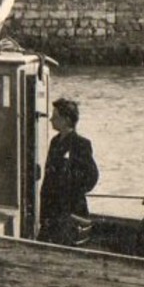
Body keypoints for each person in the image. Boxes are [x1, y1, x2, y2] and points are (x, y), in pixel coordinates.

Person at [38, 98, 99, 245]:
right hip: (51, 211)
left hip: (70, 212)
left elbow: (92, 176)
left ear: (65, 120)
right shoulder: (55, 142)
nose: (51, 120)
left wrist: (72, 190)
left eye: (55, 116)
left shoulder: (81, 144)